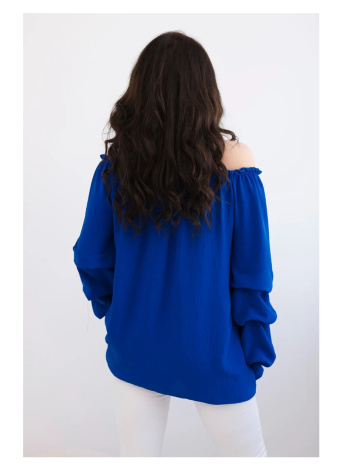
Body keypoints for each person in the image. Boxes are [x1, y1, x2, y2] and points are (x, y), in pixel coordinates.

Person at [73, 31, 277, 457]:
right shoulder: (236, 162)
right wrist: (253, 348)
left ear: (141, 89)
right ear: (206, 92)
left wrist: (122, 309)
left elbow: (91, 256)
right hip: (213, 350)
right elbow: (252, 272)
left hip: (136, 346)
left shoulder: (117, 167)